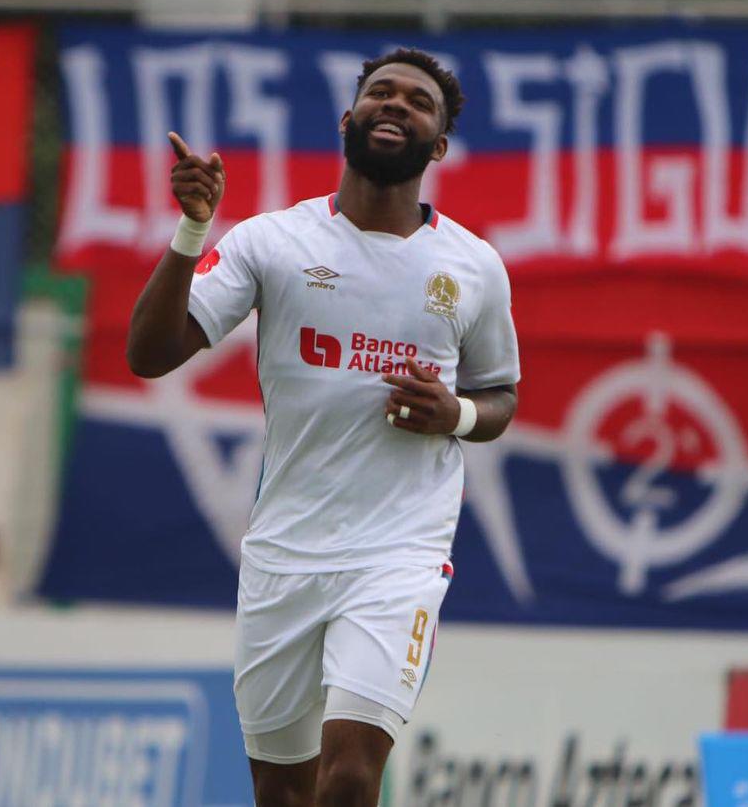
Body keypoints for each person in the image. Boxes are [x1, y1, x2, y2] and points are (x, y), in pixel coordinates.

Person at [126, 48, 520, 807]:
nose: (396, 105)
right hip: (284, 555)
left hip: (399, 551)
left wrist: (459, 414)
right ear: (349, 120)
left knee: (349, 771)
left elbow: (499, 394)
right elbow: (151, 353)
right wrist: (192, 230)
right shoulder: (272, 242)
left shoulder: (473, 266)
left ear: (438, 146)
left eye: (417, 102)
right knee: (282, 791)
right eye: (380, 93)